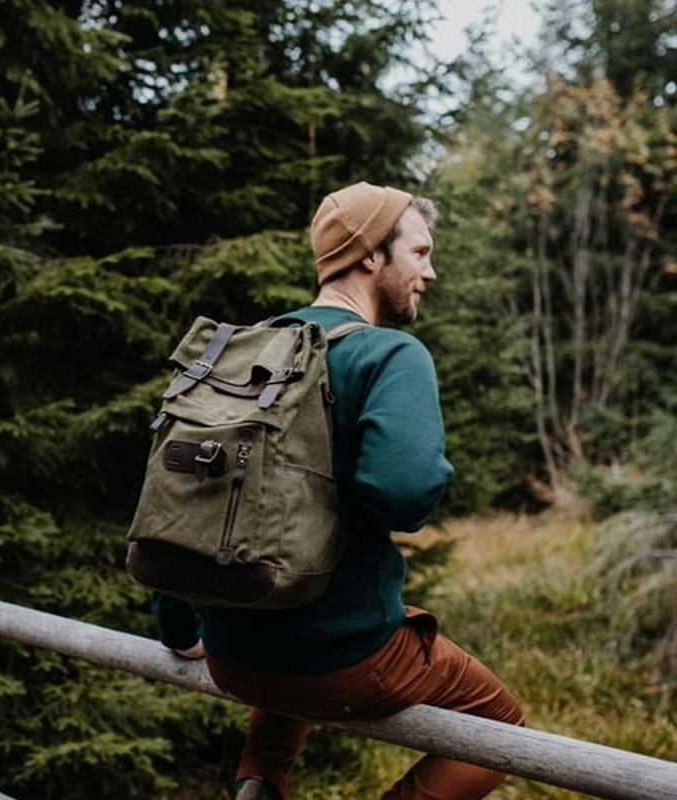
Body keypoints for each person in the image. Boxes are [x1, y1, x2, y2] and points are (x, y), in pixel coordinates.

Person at [151, 181, 524, 800]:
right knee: (500, 725)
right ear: (373, 255)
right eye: (420, 253)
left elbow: (183, 496)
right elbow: (406, 495)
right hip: (346, 660)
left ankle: (258, 784)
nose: (429, 272)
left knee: (293, 643)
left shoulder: (245, 351)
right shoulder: (389, 354)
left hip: (232, 652)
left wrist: (178, 627)